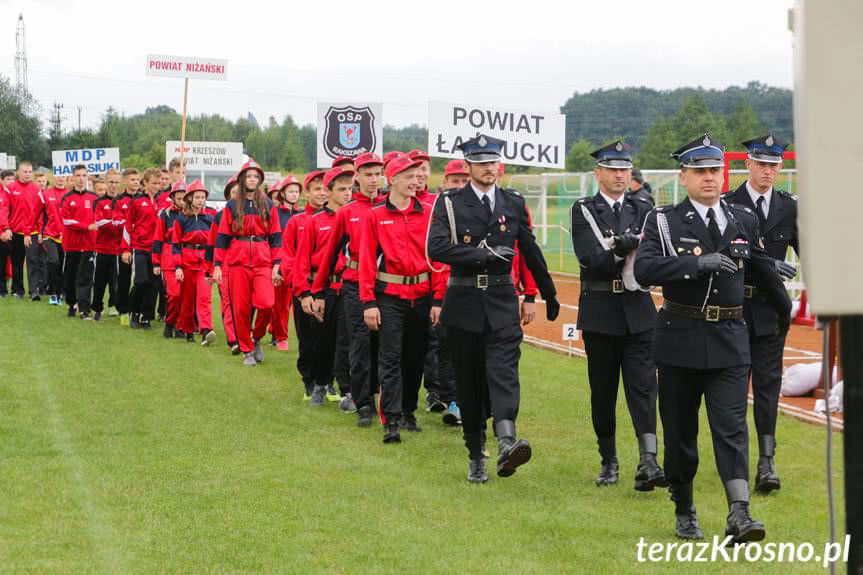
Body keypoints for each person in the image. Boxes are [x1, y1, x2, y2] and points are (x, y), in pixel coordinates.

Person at [634, 134, 791, 543]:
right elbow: (645, 270)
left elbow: (757, 266)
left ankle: (739, 513)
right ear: (683, 176)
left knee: (731, 427)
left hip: (730, 340)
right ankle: (684, 509)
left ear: (725, 174)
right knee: (682, 434)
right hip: (679, 340)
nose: (709, 178)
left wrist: (783, 308)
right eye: (700, 171)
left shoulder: (743, 219)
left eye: (715, 171)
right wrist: (696, 263)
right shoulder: (663, 220)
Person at [427, 134, 560, 483]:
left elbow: (529, 249)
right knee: (470, 385)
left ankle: (506, 440)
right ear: (468, 165)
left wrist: (547, 291)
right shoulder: (450, 203)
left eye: (494, 162)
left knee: (504, 373)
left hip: (502, 302)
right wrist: (480, 255)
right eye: (481, 162)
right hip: (464, 303)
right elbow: (436, 249)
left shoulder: (512, 202)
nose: (489, 168)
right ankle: (475, 453)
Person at [569, 141, 665, 490]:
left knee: (644, 388)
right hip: (601, 312)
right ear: (598, 173)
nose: (621, 175)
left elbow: (652, 255)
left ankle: (649, 459)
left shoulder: (644, 206)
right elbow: (590, 260)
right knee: (604, 391)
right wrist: (621, 249)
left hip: (638, 310)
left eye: (625, 169)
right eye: (613, 169)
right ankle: (608, 460)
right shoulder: (584, 210)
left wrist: (622, 247)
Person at [723, 134, 798, 494]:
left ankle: (767, 462)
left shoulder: (789, 206)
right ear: (748, 164)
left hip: (771, 310)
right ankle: (737, 459)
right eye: (762, 163)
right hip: (735, 308)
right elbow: (730, 253)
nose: (768, 171)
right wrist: (769, 263)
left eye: (774, 165)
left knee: (768, 387)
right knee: (733, 388)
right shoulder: (727, 204)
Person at [360, 155, 445, 442]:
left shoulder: (429, 212)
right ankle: (392, 420)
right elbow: (367, 262)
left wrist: (438, 299)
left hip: (422, 297)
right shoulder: (375, 215)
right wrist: (369, 302)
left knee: (416, 358)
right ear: (392, 179)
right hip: (390, 298)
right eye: (408, 177)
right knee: (390, 358)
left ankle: (409, 410)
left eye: (417, 176)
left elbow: (438, 259)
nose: (415, 181)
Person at [312, 152, 383, 424]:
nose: (374, 179)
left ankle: (382, 397)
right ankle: (362, 401)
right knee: (360, 343)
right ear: (358, 178)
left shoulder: (391, 207)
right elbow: (330, 255)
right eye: (367, 174)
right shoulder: (349, 212)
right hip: (354, 283)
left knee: (385, 346)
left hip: (385, 284)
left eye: (378, 173)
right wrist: (318, 292)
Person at [213, 160, 282, 366]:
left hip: (263, 261)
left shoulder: (268, 204)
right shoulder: (232, 205)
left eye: (256, 176)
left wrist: (277, 263)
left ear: (259, 180)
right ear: (242, 179)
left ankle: (256, 337)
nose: (253, 179)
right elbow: (222, 236)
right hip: (237, 262)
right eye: (249, 176)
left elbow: (276, 236)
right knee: (240, 309)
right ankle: (246, 350)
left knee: (267, 303)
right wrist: (217, 264)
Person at [296, 166, 352, 406]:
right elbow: (301, 260)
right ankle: (319, 383)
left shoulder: (355, 217)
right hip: (324, 289)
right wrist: (304, 293)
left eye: (350, 189)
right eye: (341, 189)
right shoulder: (315, 221)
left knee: (349, 341)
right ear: (329, 192)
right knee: (322, 340)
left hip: (349, 288)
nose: (347, 194)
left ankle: (348, 389)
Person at [282, 170, 326, 394]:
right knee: (307, 338)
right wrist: (300, 291)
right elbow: (288, 258)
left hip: (330, 289)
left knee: (329, 338)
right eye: (317, 189)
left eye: (325, 188)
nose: (322, 193)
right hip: (304, 288)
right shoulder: (296, 221)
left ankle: (328, 380)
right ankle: (309, 380)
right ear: (306, 193)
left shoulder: (337, 217)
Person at [172, 179, 216, 345]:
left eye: (203, 197)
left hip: (204, 262)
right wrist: (178, 266)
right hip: (187, 262)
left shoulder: (210, 218)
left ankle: (205, 330)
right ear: (189, 198)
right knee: (187, 299)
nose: (200, 200)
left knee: (204, 298)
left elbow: (214, 243)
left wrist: (213, 264)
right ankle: (187, 329)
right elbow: (175, 245)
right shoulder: (181, 219)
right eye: (197, 197)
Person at [121, 167, 162, 329]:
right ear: (145, 183)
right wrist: (125, 249)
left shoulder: (163, 202)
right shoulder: (137, 201)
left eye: (159, 183)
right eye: (153, 183)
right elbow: (128, 226)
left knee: (154, 284)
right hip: (139, 248)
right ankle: (134, 312)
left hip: (157, 250)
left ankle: (146, 317)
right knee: (140, 281)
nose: (157, 186)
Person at [206, 176, 240, 353]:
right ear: (228, 195)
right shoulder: (219, 217)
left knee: (243, 303)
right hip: (225, 263)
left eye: (239, 192)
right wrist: (210, 268)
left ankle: (242, 334)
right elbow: (212, 243)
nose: (237, 196)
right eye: (233, 193)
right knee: (227, 301)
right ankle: (233, 339)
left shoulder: (254, 212)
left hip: (244, 264)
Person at [60, 165, 99, 319]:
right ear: (73, 177)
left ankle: (84, 309)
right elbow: (67, 221)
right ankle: (71, 303)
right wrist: (86, 226)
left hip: (89, 245)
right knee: (70, 277)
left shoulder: (94, 198)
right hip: (72, 245)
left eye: (84, 175)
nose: (81, 178)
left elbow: (99, 219)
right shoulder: (67, 198)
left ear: (87, 177)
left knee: (86, 277)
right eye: (78, 175)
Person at [267, 176, 301, 350]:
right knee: (280, 303)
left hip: (299, 263)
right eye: (291, 191)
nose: (294, 195)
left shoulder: (302, 214)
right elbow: (273, 240)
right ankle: (281, 337)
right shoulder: (275, 213)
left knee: (295, 302)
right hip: (280, 262)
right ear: (282, 194)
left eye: (297, 191)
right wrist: (276, 264)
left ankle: (278, 331)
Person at [153, 182, 186, 338]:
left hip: (187, 257)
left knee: (185, 296)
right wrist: (156, 262)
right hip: (169, 258)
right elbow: (158, 238)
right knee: (174, 294)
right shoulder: (165, 215)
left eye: (184, 198)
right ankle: (170, 322)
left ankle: (180, 326)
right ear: (172, 197)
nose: (181, 201)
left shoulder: (192, 215)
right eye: (178, 198)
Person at [8, 161, 42, 299]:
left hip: (32, 232)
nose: (28, 174)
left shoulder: (36, 189)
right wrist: (7, 228)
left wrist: (40, 230)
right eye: (25, 171)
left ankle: (34, 291)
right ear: (18, 172)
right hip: (15, 231)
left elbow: (41, 212)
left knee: (33, 261)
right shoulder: (11, 188)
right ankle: (18, 290)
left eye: (30, 172)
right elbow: (5, 209)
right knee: (17, 262)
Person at [91, 178, 120, 320]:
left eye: (115, 182)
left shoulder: (123, 201)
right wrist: (116, 223)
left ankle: (113, 305)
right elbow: (100, 222)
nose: (113, 185)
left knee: (115, 280)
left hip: (118, 249)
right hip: (102, 247)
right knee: (99, 280)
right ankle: (97, 307)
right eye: (111, 182)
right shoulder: (99, 202)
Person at [114, 169, 140, 324]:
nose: (135, 182)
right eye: (132, 179)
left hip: (142, 246)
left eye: (137, 179)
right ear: (125, 181)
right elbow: (116, 221)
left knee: (141, 280)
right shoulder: (118, 200)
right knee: (124, 280)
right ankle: (123, 310)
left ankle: (136, 309)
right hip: (124, 246)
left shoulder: (145, 198)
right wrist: (132, 224)